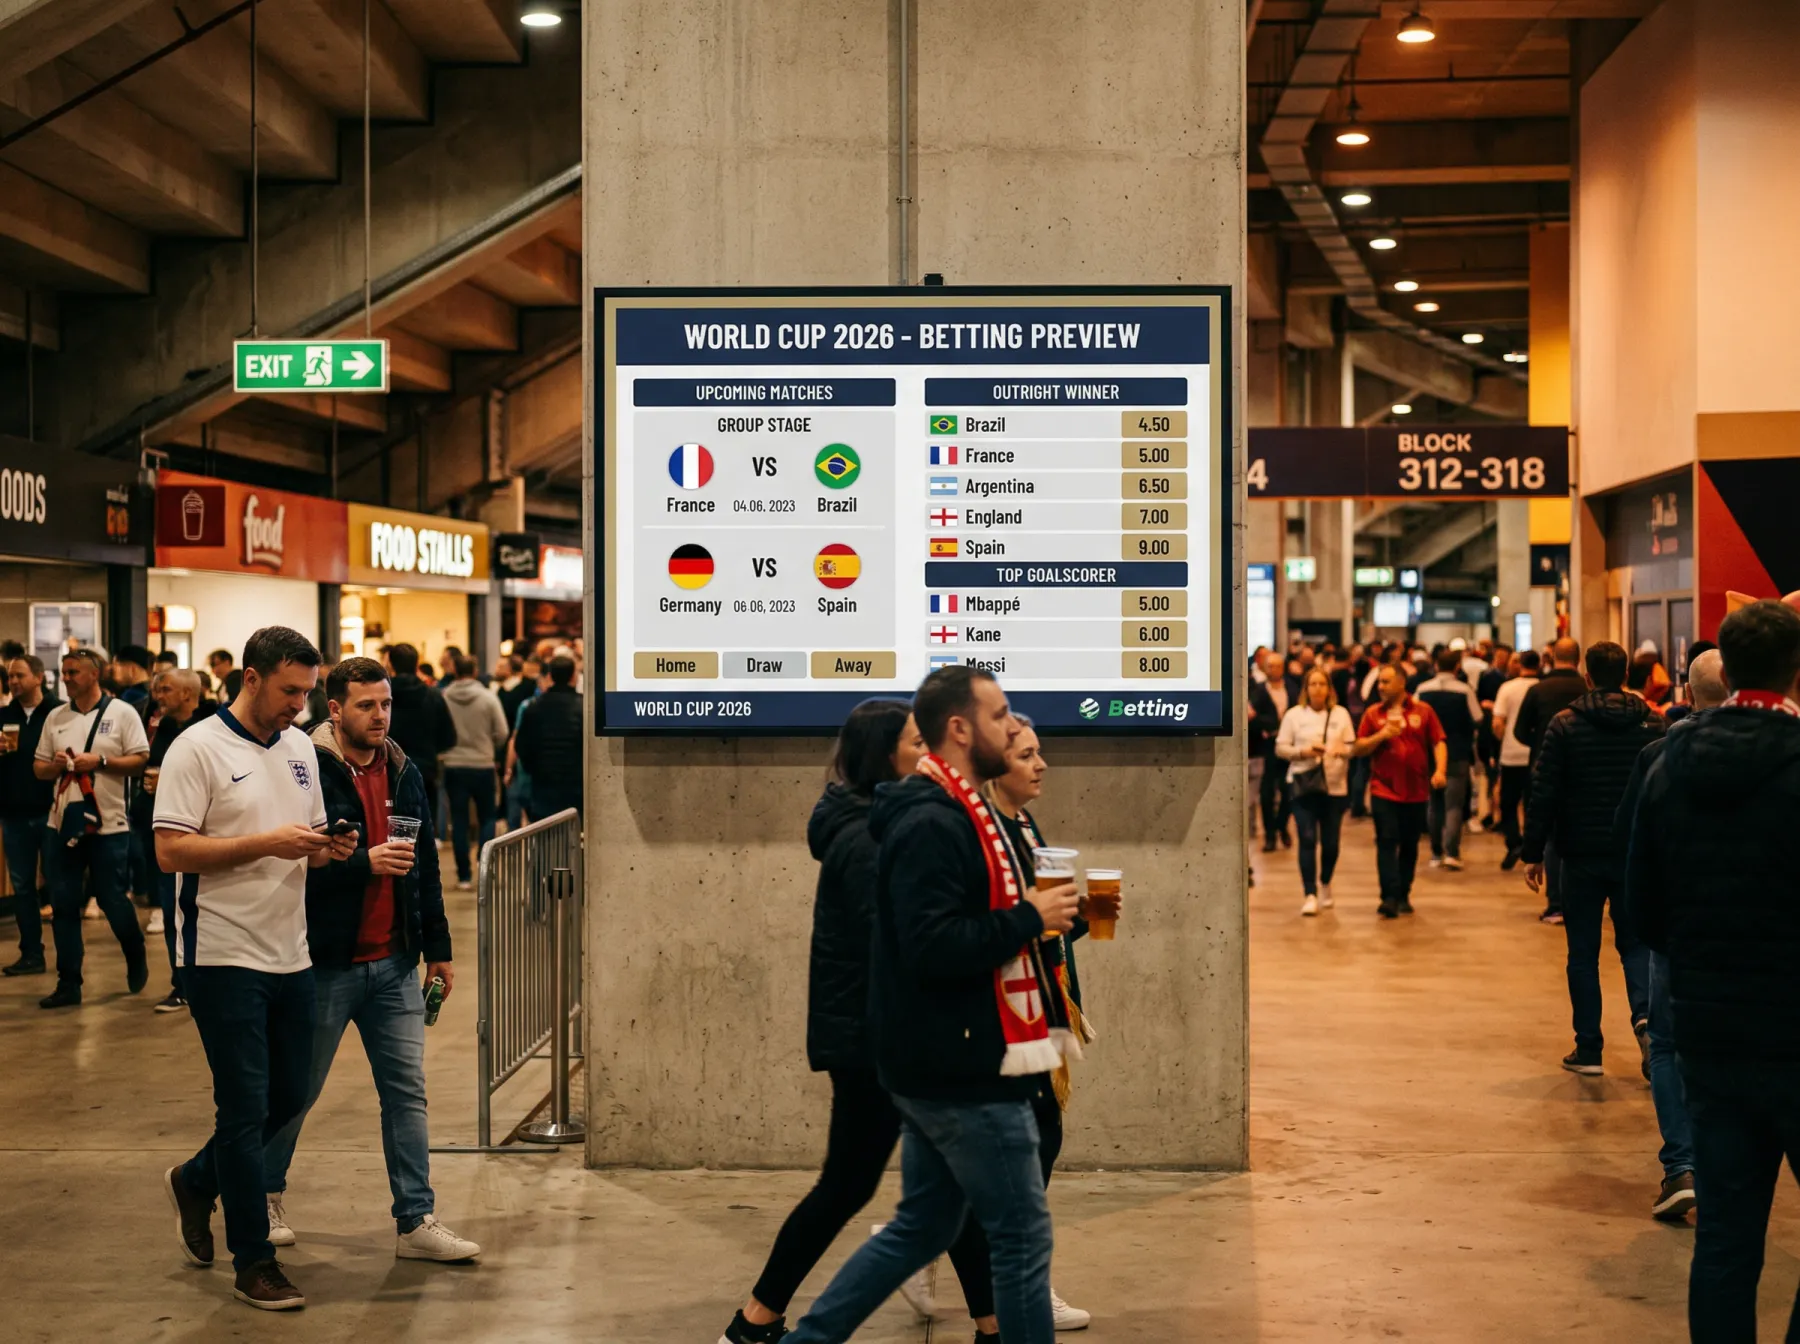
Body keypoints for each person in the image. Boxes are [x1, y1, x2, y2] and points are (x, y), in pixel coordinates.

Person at [779, 668, 1083, 1344]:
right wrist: (1028, 918)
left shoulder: (963, 811)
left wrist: (1037, 917)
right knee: (1023, 1240)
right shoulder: (930, 822)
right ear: (960, 729)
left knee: (924, 1225)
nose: (1013, 728)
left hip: (940, 1058)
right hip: (963, 1067)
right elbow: (933, 947)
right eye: (1001, 715)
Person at [156, 627, 357, 1311]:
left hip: (289, 952)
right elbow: (172, 852)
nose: (300, 706)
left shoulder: (301, 747)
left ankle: (195, 1178)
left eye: (307, 692)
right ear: (250, 678)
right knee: (243, 1107)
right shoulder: (197, 748)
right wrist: (269, 842)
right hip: (219, 953)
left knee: (287, 1097)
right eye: (289, 691)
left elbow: (302, 840)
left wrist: (325, 849)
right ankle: (255, 1260)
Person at [722, 701, 931, 1344]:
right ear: (884, 756)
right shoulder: (870, 837)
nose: (930, 752)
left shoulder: (871, 821)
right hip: (876, 1041)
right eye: (918, 742)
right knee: (850, 1186)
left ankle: (994, 1324)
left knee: (942, 1188)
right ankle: (756, 1321)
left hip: (876, 1036)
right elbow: (899, 946)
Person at [260, 656, 479, 1264]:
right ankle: (265, 1194)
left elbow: (425, 864)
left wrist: (439, 949)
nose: (380, 715)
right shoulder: (304, 767)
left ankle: (416, 1219)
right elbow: (292, 864)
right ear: (335, 709)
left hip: (395, 962)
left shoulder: (404, 766)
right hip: (327, 962)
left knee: (407, 1092)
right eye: (366, 705)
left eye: (385, 704)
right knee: (296, 1089)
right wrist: (364, 864)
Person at [1626, 602, 1800, 1338]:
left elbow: (1640, 910)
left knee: (1725, 1239)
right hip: (1795, 1029)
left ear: (1722, 671)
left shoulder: (1667, 764)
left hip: (1710, 1031)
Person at [944, 715, 1098, 1335]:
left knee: (1036, 1149)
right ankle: (1012, 1287)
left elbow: (1032, 919)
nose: (1041, 766)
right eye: (1028, 755)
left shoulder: (1024, 825)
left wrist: (1074, 915)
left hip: (1042, 1002)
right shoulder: (977, 831)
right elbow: (980, 931)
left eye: (1040, 753)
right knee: (1010, 1164)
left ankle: (945, 1257)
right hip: (1000, 1017)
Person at [1520, 641, 1662, 1077]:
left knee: (1582, 952)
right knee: (1636, 945)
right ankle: (1645, 1020)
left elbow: (1544, 790)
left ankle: (1589, 1048)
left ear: (1587, 675)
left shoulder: (1565, 725)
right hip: (1632, 852)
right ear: (1624, 675)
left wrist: (1533, 852)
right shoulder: (1651, 723)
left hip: (1580, 853)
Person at [1615, 648, 1722, 1224]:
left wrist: (1646, 927)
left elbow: (1632, 840)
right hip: (1752, 936)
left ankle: (1681, 1167)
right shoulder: (1784, 752)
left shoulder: (1660, 755)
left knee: (1668, 1043)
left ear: (1687, 690)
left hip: (1677, 931)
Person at [32, 647, 151, 1008]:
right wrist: (57, 767)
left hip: (108, 827)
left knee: (112, 899)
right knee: (64, 905)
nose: (65, 678)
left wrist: (97, 760)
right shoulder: (55, 717)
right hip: (62, 825)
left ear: (94, 674)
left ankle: (135, 952)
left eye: (72, 672)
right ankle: (69, 983)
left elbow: (140, 760)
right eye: (63, 673)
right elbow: (38, 768)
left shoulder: (122, 713)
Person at [137, 669, 215, 1012]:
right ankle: (180, 983)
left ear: (187, 694)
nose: (159, 696)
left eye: (166, 689)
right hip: (166, 830)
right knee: (171, 912)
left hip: (208, 838)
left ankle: (205, 983)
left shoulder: (214, 728)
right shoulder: (162, 728)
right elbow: (154, 768)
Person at [1352, 663, 1447, 919]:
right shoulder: (1373, 714)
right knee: (1386, 841)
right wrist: (1381, 735)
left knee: (1409, 844)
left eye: (1385, 682)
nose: (1380, 687)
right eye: (1380, 682)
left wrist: (1440, 770)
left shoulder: (1423, 711)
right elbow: (1358, 748)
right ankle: (1389, 897)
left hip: (1416, 791)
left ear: (1402, 683)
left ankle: (1404, 892)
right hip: (1383, 790)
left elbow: (1438, 741)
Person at [1512, 637, 1589, 924]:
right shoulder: (1586, 688)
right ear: (1578, 659)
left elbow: (1519, 732)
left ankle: (1555, 903)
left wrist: (1541, 743)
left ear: (1551, 658)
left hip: (1543, 769)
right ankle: (1579, 901)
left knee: (1552, 836)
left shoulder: (1538, 690)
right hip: (1583, 771)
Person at [1275, 665, 1356, 916]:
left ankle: (1325, 882)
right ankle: (1309, 892)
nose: (1317, 689)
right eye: (1313, 684)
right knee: (1307, 838)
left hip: (1334, 786)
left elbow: (1352, 745)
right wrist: (1303, 752)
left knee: (1330, 842)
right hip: (1303, 785)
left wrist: (1344, 750)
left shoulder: (1341, 714)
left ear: (1329, 688)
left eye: (1322, 684)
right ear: (1306, 689)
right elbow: (1281, 748)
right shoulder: (1294, 715)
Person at [1, 653, 59, 976]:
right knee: (23, 887)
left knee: (58, 883)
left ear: (38, 677)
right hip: (13, 813)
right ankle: (31, 954)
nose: (13, 682)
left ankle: (68, 957)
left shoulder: (58, 713)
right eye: (10, 677)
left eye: (19, 676)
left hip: (51, 812)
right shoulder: (3, 716)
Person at [440, 656, 510, 890]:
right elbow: (502, 732)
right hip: (482, 764)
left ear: (455, 671)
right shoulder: (489, 698)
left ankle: (463, 876)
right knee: (487, 817)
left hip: (453, 764)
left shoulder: (445, 697)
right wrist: (489, 747)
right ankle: (484, 866)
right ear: (476, 671)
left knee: (459, 820)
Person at [1416, 648, 1482, 872]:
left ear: (1435, 665)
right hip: (1457, 752)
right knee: (1453, 804)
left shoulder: (1422, 690)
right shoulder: (1464, 690)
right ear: (1457, 668)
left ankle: (1435, 853)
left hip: (1428, 754)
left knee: (1433, 803)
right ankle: (1452, 853)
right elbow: (1478, 718)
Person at [383, 643, 456, 807]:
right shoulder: (433, 695)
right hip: (425, 771)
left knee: (391, 823)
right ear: (416, 665)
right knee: (425, 824)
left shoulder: (382, 697)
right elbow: (449, 737)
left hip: (389, 771)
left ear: (390, 665)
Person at [512, 654, 583, 821]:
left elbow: (521, 745)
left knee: (545, 838)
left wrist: (532, 768)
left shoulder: (534, 707)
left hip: (542, 784)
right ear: (573, 677)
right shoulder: (583, 707)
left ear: (549, 676)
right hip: (576, 784)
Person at [1490, 648, 1540, 870]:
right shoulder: (1542, 688)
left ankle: (1513, 842)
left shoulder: (1507, 688)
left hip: (1511, 754)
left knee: (1508, 803)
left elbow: (1497, 723)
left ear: (1520, 665)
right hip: (1537, 754)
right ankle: (1531, 846)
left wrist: (1502, 740)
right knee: (1532, 804)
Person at [1248, 650, 1293, 853]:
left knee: (1289, 790)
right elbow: (1251, 717)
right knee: (1266, 794)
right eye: (1270, 666)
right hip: (1268, 746)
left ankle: (1281, 825)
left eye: (1277, 666)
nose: (1274, 670)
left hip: (1291, 746)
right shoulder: (1258, 691)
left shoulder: (1292, 688)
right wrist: (1268, 726)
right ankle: (1270, 835)